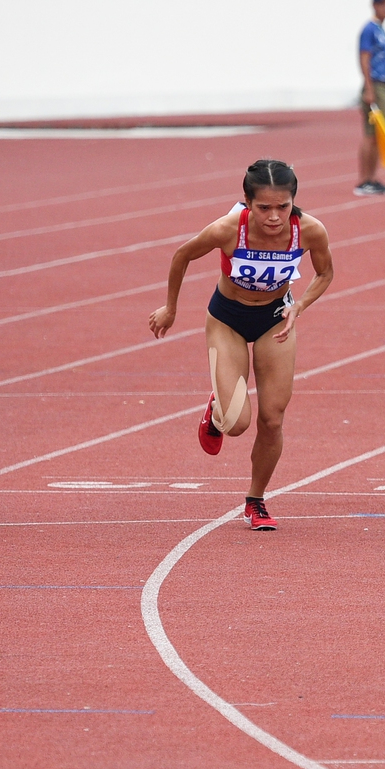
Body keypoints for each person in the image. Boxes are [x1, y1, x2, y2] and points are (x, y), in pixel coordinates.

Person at [147, 161, 333, 529]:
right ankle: (218, 407)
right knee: (236, 424)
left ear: (293, 201)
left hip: (274, 321)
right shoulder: (228, 229)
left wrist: (300, 305)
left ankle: (256, 500)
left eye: (283, 206)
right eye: (264, 208)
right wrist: (170, 308)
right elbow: (182, 255)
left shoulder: (310, 231)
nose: (275, 217)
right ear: (247, 203)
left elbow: (325, 273)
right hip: (227, 320)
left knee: (272, 418)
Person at [355, 0, 385, 196]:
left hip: (384, 84)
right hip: (376, 85)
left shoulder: (379, 28)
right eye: (382, 4)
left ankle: (372, 177)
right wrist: (369, 88)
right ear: (374, 5)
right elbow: (364, 58)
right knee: (371, 135)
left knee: (380, 134)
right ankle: (364, 179)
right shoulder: (369, 29)